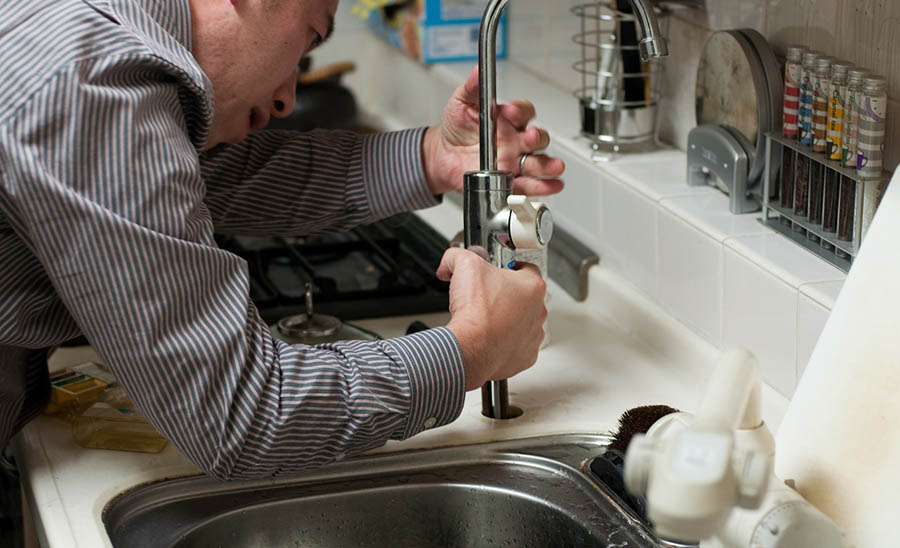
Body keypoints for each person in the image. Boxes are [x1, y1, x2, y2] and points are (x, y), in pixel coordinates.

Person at [0, 0, 565, 480]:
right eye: (309, 41)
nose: (288, 99)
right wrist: (471, 350)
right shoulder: (94, 82)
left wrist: (431, 158)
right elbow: (243, 415)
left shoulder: (93, 34)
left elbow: (213, 179)